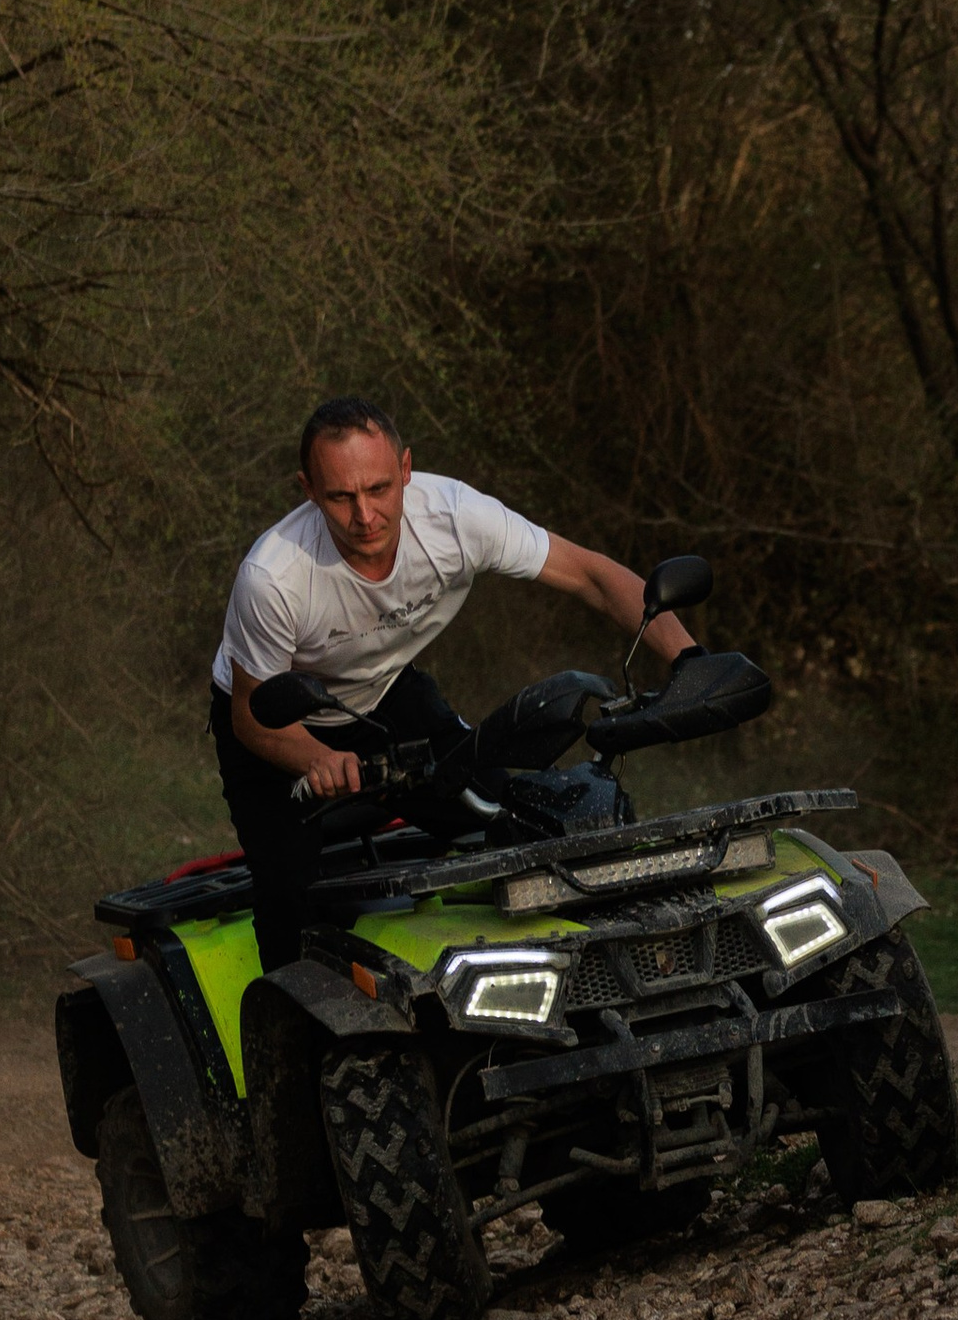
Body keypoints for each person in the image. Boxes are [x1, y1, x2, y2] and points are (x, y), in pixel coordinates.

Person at [210, 397, 697, 967]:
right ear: (308, 489)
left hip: (388, 694)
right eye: (341, 497)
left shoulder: (457, 517)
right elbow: (250, 716)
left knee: (519, 817)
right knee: (290, 897)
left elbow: (591, 575)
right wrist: (320, 759)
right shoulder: (273, 576)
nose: (365, 516)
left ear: (407, 469)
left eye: (379, 489)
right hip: (280, 721)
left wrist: (691, 663)